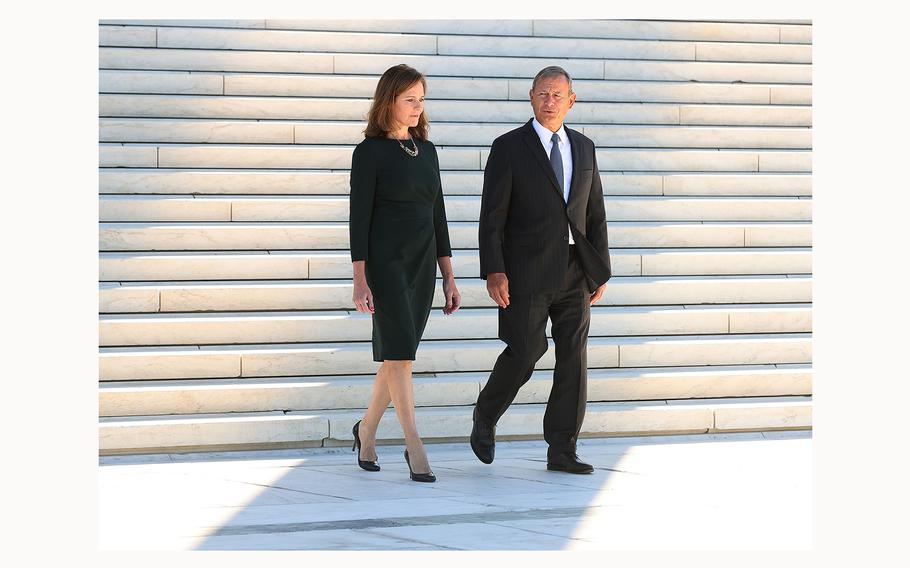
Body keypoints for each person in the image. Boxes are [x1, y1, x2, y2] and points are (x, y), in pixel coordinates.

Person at [471, 66, 612, 474]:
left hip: (574, 270)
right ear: (531, 97)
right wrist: (494, 270)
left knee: (574, 357)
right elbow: (491, 217)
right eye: (543, 94)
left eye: (557, 95)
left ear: (571, 100)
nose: (550, 101)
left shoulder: (584, 148)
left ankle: (562, 448)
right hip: (525, 271)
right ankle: (486, 414)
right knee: (527, 349)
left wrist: (598, 269)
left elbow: (595, 212)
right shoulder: (509, 147)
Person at [348, 64, 461, 483]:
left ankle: (367, 431)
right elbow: (358, 219)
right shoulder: (369, 152)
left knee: (398, 355)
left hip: (423, 261)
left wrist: (448, 274)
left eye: (421, 99)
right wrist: (360, 278)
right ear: (389, 101)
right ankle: (414, 444)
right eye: (410, 99)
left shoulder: (426, 150)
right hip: (385, 263)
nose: (418, 106)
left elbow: (439, 215)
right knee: (402, 355)